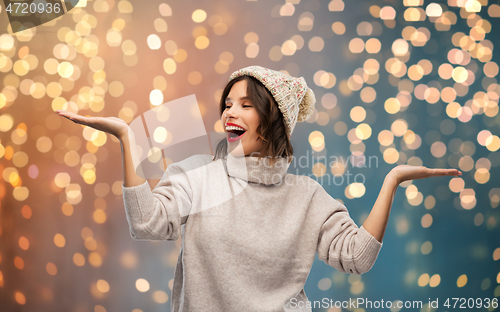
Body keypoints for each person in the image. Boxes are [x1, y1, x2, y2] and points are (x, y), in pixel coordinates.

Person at [56, 65, 462, 311]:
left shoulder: (308, 198)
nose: (230, 112)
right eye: (228, 104)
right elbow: (146, 223)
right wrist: (128, 139)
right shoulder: (198, 177)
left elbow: (357, 258)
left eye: (246, 105)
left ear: (273, 122)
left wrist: (391, 180)